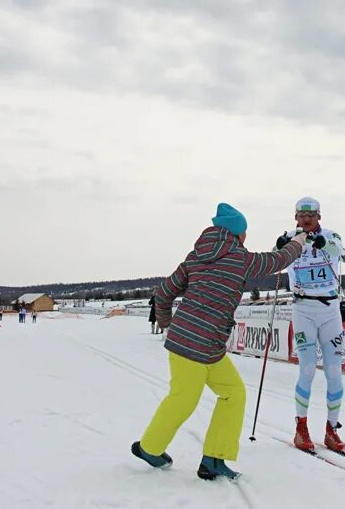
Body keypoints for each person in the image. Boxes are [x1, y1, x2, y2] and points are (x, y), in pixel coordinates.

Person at [131, 203, 307, 481]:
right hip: (194, 346)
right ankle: (149, 448)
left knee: (233, 393)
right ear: (237, 233)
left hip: (202, 345)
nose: (247, 236)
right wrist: (298, 242)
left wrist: (167, 323)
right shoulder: (239, 258)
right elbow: (276, 262)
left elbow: (164, 292)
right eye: (245, 231)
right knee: (184, 399)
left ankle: (214, 458)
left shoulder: (196, 256)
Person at [276, 196, 345, 453]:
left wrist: (324, 243)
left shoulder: (331, 235)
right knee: (307, 368)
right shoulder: (290, 237)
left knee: (334, 371)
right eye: (301, 216)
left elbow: (338, 249)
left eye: (312, 215)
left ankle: (331, 430)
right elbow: (278, 258)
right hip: (303, 308)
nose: (306, 220)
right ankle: (301, 428)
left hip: (329, 309)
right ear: (296, 217)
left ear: (319, 216)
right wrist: (281, 247)